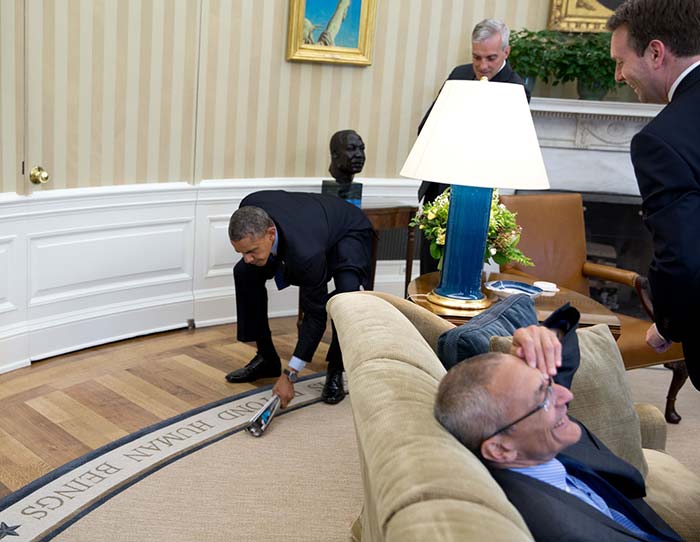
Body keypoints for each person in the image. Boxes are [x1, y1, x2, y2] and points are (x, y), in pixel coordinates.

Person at [434, 326, 681, 541]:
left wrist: (540, 336)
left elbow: (566, 340)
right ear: (500, 449)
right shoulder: (560, 529)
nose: (566, 396)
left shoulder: (533, 439)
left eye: (549, 383)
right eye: (543, 396)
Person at [607, 0, 700, 389]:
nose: (617, 75)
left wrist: (667, 324)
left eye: (621, 61)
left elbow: (683, 260)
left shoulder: (661, 140)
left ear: (656, 52)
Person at [225, 190, 373, 406]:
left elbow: (315, 315)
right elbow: (256, 255)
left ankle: (336, 367)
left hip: (347, 229)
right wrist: (253, 256)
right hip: (310, 225)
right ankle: (267, 358)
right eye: (241, 252)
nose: (247, 258)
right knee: (244, 272)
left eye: (252, 251)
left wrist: (290, 375)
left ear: (270, 234)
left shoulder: (306, 254)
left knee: (346, 296)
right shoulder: (249, 205)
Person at [417, 18, 531, 274]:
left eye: (490, 58)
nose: (482, 66)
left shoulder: (516, 90)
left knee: (461, 269)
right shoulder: (459, 75)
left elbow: (504, 149)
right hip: (438, 185)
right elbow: (426, 128)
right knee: (428, 269)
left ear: (506, 52)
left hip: (477, 196)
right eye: (476, 57)